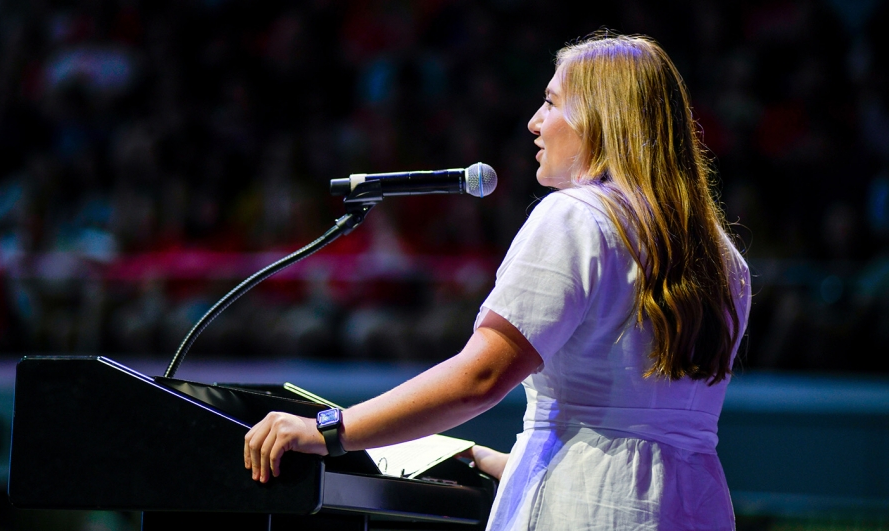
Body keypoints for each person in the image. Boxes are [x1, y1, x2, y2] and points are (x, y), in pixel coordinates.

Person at [244, 32, 751, 531]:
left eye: (551, 103)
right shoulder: (721, 255)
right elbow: (643, 446)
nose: (534, 123)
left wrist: (328, 431)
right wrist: (507, 463)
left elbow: (479, 379)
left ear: (599, 119)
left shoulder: (576, 217)